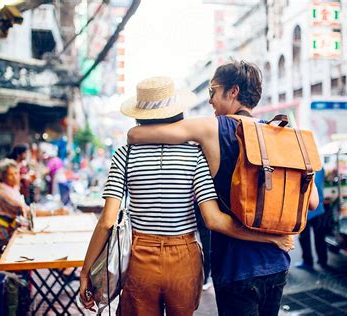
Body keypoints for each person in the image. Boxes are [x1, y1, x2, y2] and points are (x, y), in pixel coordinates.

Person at [79, 76, 294, 315]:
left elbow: (108, 221)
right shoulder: (195, 156)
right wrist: (270, 238)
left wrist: (86, 270)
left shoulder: (125, 155)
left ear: (139, 113)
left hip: (140, 258)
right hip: (185, 259)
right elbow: (214, 219)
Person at [128, 61, 319, 315]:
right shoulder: (282, 134)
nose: (210, 100)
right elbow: (313, 201)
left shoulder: (212, 128)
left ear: (233, 92)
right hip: (277, 263)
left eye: (213, 91)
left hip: (235, 267)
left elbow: (136, 135)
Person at [0, 158, 68, 263]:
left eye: (16, 173)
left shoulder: (12, 189)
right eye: (10, 175)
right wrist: (54, 213)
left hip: (12, 231)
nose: (15, 177)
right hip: (3, 237)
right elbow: (26, 210)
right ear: (2, 177)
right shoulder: (3, 194)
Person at [297, 168, 328, 271]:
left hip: (305, 209)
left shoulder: (301, 166)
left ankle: (308, 262)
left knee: (304, 237)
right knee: (320, 236)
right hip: (319, 208)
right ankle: (323, 260)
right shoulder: (320, 167)